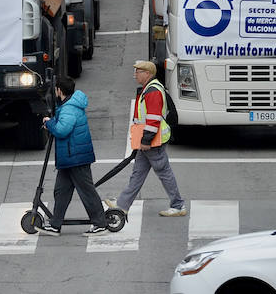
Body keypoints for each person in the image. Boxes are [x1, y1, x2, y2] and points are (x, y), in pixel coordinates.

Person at [110, 60, 186, 218]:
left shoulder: (152, 91)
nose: (135, 75)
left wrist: (146, 141)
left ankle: (178, 205)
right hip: (149, 140)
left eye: (138, 72)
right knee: (138, 173)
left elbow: (153, 119)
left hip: (152, 141)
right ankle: (122, 205)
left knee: (163, 172)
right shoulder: (150, 88)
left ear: (147, 74)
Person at [36, 76, 108, 236]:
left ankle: (100, 223)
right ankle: (55, 224)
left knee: (87, 191)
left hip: (76, 157)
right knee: (61, 191)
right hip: (70, 158)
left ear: (59, 90)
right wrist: (52, 122)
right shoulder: (68, 105)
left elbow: (62, 130)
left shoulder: (69, 108)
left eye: (55, 89)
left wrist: (49, 123)